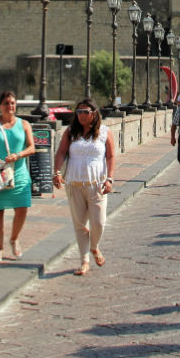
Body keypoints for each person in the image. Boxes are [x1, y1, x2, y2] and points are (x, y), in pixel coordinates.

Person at [53, 99, 117, 275]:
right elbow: (60, 152)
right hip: (74, 184)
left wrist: (110, 179)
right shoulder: (71, 132)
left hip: (97, 185)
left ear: (94, 113)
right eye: (78, 112)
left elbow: (111, 156)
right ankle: (84, 261)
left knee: (99, 223)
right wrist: (56, 172)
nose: (81, 115)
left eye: (85, 112)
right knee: (80, 224)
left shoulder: (105, 132)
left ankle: (94, 247)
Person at [0, 90, 35, 262]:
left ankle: (14, 238)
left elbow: (32, 147)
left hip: (18, 173)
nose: (10, 106)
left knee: (22, 208)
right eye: (6, 103)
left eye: (12, 103)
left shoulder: (24, 124)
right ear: (0, 106)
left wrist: (18, 155)